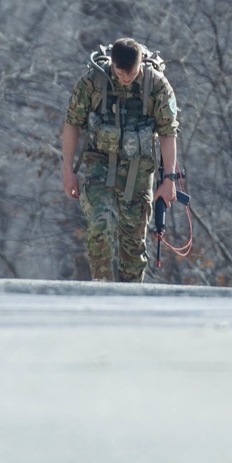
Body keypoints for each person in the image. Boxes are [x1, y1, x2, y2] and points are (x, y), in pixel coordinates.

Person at [62, 37, 180, 282]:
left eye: (132, 73)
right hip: (100, 164)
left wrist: (169, 179)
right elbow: (72, 123)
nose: (126, 78)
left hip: (138, 171)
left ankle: (129, 298)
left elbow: (168, 132)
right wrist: (67, 171)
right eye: (120, 72)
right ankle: (102, 288)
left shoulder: (156, 85)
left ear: (141, 62)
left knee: (133, 244)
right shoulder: (93, 82)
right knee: (100, 225)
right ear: (112, 64)